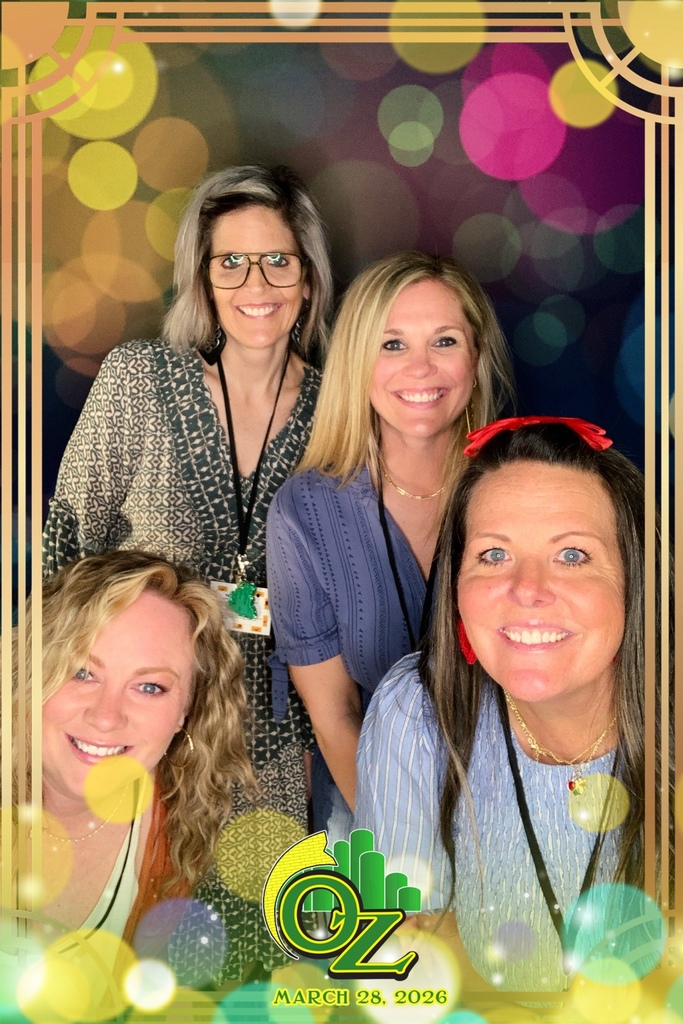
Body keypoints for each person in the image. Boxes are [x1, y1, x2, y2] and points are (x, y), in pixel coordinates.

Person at [41, 164, 333, 977]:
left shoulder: (341, 405)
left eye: (277, 261)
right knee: (109, 959)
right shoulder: (139, 380)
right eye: (229, 262)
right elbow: (66, 548)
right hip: (131, 735)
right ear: (202, 279)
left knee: (243, 970)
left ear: (307, 281)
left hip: (273, 752)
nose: (255, 284)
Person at [355, 417, 667, 993]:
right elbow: (396, 967)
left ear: (635, 580)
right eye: (494, 555)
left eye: (572, 555)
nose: (526, 590)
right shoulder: (417, 712)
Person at [266, 251, 515, 839]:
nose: (421, 369)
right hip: (368, 809)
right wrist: (409, 852)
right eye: (393, 344)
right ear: (357, 362)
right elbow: (334, 718)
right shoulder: (305, 512)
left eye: (445, 341)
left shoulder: (520, 487)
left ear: (476, 358)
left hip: (514, 802)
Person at [13, 551, 256, 1010]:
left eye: (150, 687)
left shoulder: (191, 841)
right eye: (82, 672)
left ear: (187, 710)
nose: (106, 718)